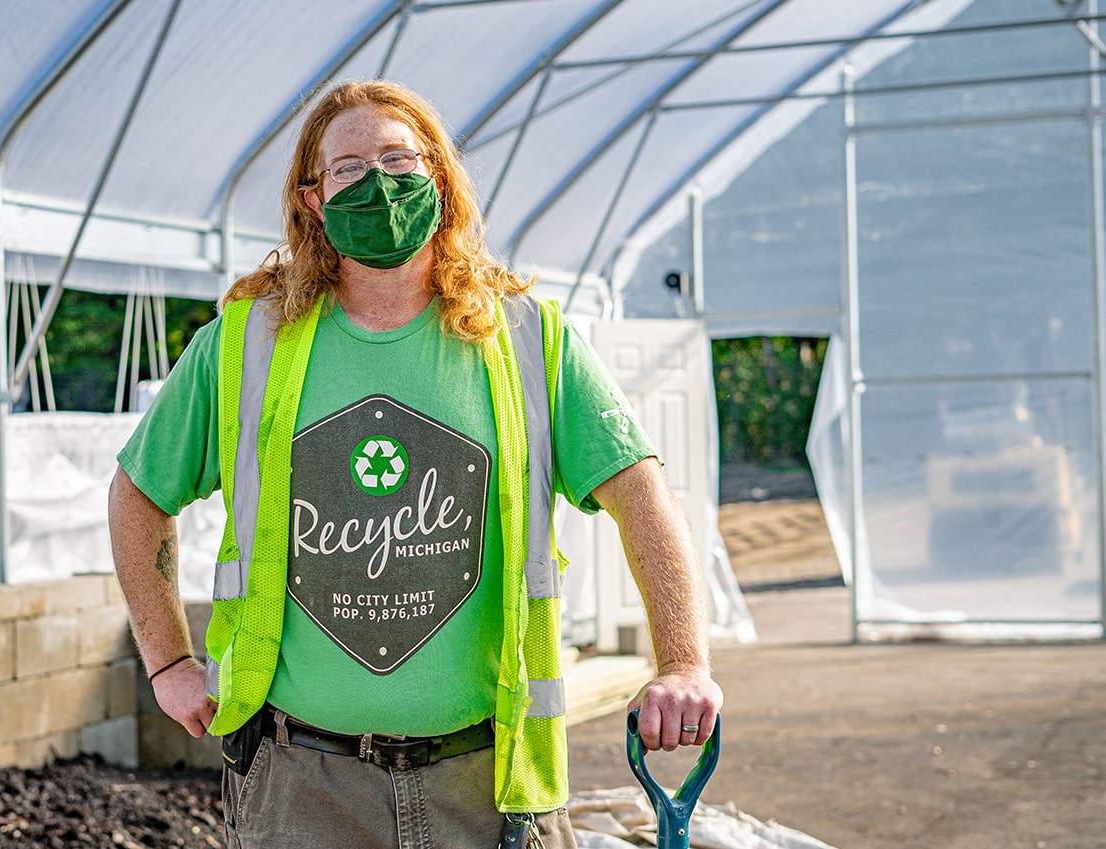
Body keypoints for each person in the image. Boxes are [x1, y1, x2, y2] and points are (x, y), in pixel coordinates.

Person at [108, 79, 722, 849]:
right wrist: (167, 660)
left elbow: (644, 497)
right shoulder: (246, 343)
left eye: (401, 159)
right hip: (304, 787)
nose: (381, 183)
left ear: (440, 178)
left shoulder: (527, 338)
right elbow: (138, 493)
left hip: (489, 784)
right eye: (349, 169)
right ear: (311, 198)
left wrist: (683, 662)